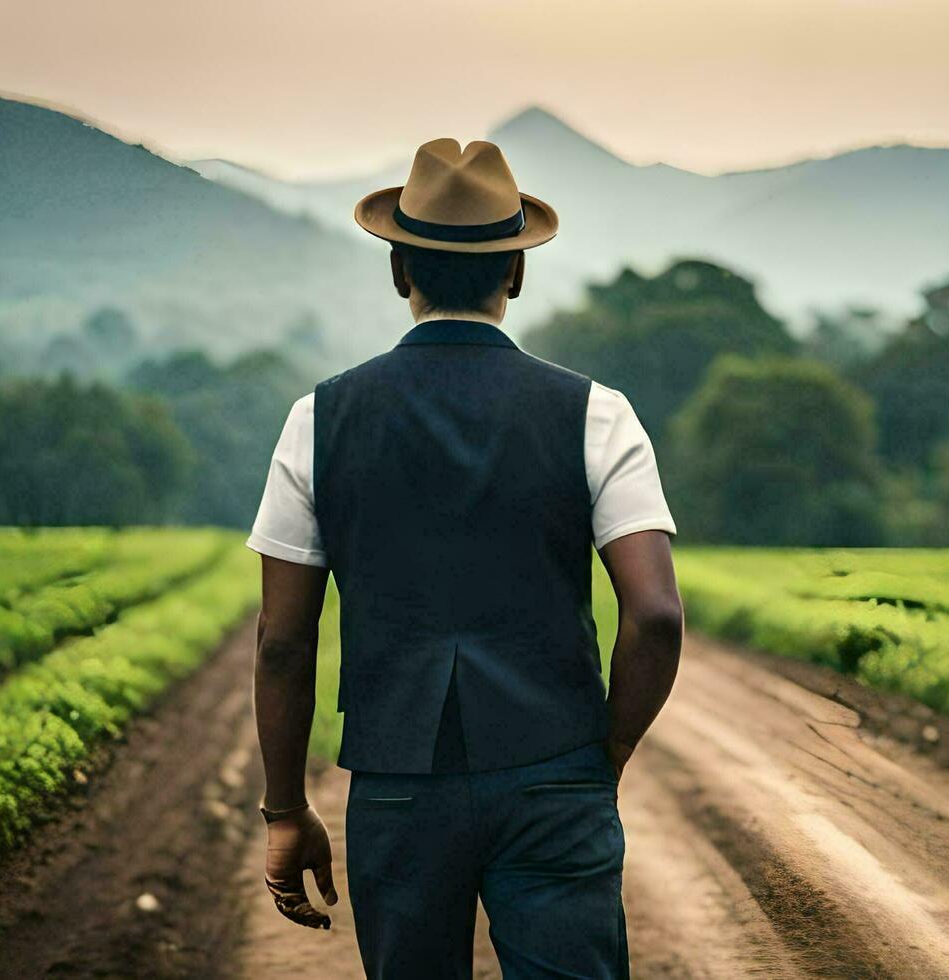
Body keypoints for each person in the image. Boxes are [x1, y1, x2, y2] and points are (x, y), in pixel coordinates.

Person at [245, 137, 683, 979]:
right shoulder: (599, 414)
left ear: (398, 269)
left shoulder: (317, 419)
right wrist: (607, 754)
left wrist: (286, 808)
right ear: (516, 273)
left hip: (397, 784)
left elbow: (282, 642)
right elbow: (656, 615)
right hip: (557, 772)